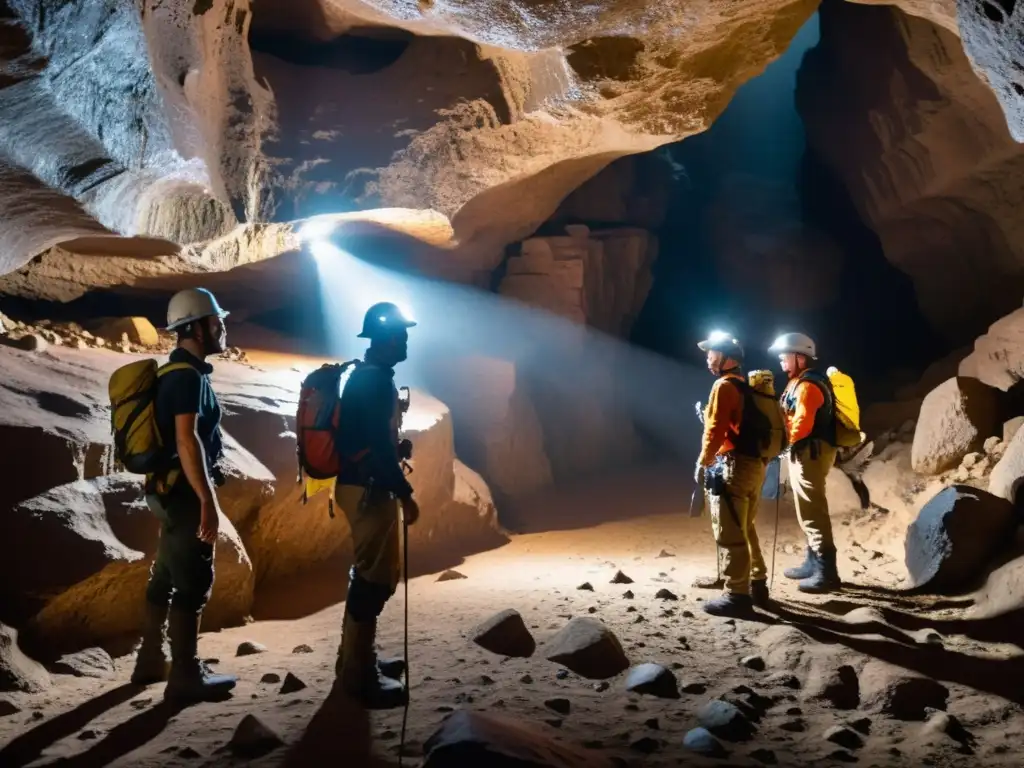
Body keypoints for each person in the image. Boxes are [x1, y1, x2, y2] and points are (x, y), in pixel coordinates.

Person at [131, 288, 237, 702]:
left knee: (165, 573)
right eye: (215, 322)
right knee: (192, 583)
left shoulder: (179, 374)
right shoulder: (185, 377)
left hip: (166, 491)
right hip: (183, 493)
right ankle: (185, 676)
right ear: (194, 328)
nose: (222, 327)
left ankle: (151, 660)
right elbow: (187, 440)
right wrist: (207, 502)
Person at [334, 301, 420, 709]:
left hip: (360, 485)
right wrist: (404, 492)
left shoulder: (367, 378)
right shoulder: (375, 383)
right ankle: (358, 674)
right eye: (401, 334)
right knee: (373, 581)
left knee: (369, 576)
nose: (406, 340)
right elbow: (379, 453)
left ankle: (354, 660)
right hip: (369, 490)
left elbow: (370, 439)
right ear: (386, 339)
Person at [694, 332, 769, 617]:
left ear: (727, 358)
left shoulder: (723, 386)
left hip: (735, 466)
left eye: (712, 353)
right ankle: (757, 582)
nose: (708, 358)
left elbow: (714, 430)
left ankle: (737, 594)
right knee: (745, 525)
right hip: (755, 465)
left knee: (729, 529)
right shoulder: (748, 387)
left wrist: (703, 462)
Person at [768, 332, 841, 593]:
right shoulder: (797, 382)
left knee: (813, 510)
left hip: (811, 452)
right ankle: (812, 562)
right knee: (806, 510)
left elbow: (801, 424)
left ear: (800, 357)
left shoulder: (809, 386)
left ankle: (827, 572)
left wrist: (779, 448)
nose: (780, 361)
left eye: (784, 356)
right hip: (804, 452)